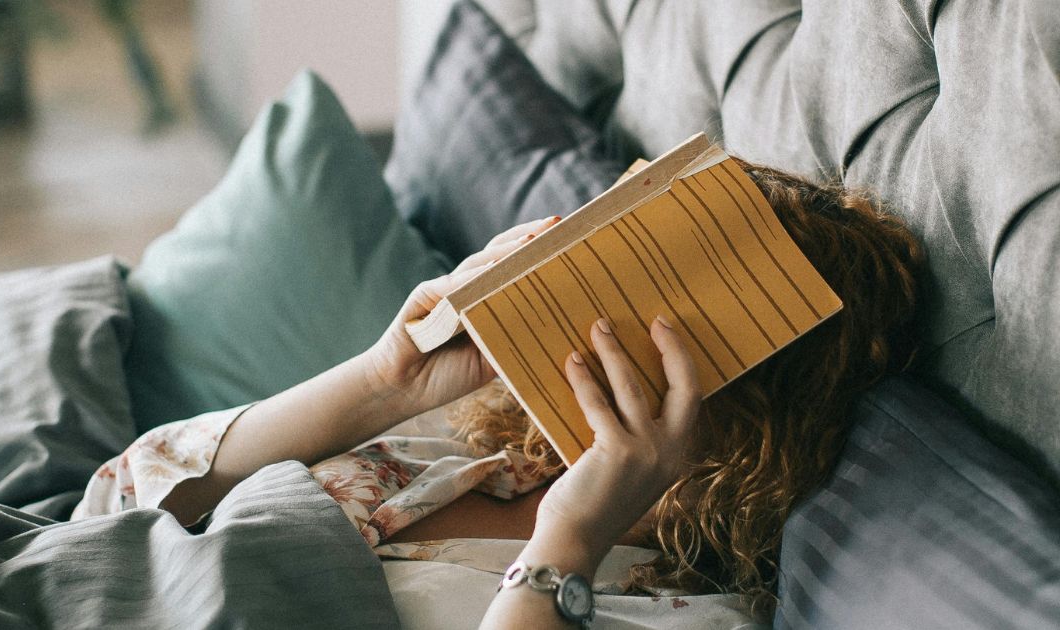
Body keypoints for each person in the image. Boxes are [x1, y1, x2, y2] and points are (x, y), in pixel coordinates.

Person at [74, 160, 924, 628]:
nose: (596, 317)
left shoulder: (689, 617)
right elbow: (122, 497)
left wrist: (571, 540)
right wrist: (381, 383)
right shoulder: (478, 453)